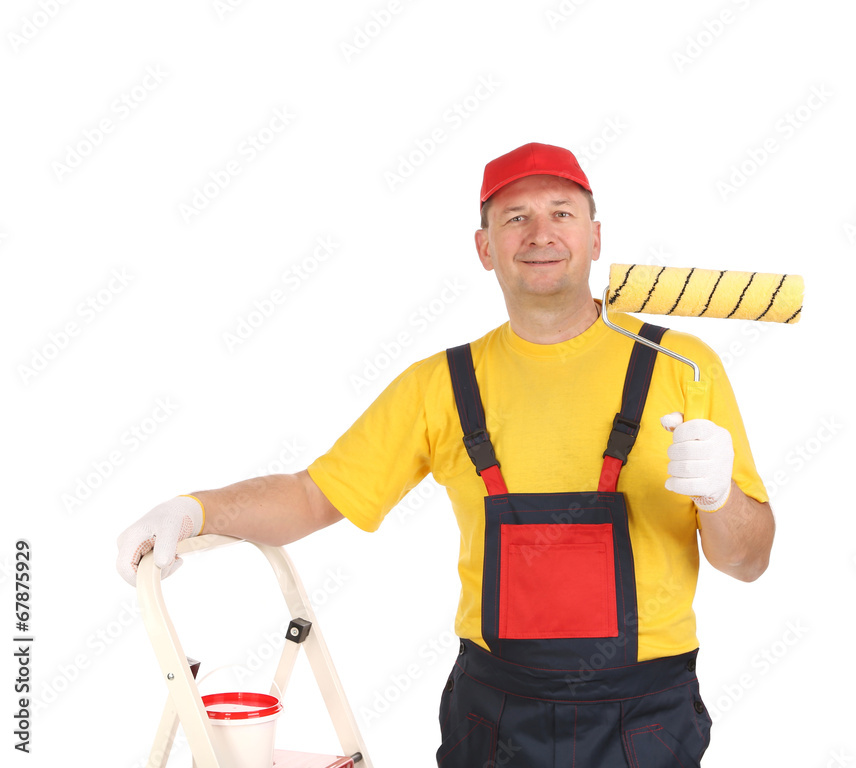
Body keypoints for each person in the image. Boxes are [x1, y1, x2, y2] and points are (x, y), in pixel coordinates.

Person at [116, 142, 774, 767]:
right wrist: (194, 510)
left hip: (644, 718)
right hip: (494, 716)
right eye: (515, 217)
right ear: (485, 248)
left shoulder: (682, 370)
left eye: (562, 213)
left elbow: (747, 561)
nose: (540, 234)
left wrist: (719, 498)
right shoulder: (442, 386)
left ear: (596, 237)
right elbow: (314, 495)